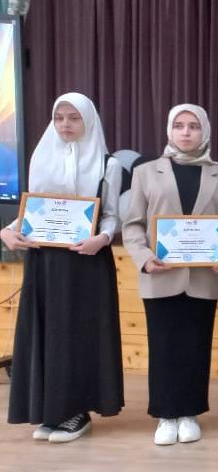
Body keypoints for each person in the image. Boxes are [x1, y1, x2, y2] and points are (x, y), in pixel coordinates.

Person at [2, 93, 124, 443]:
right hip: (45, 261)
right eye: (59, 117)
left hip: (87, 260)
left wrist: (102, 238)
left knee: (80, 333)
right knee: (48, 332)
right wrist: (7, 231)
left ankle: (77, 411)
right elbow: (33, 211)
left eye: (74, 117)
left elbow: (112, 215)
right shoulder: (41, 156)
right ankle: (51, 411)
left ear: (89, 120)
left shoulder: (108, 164)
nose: (66, 124)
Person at [122, 104, 218, 445]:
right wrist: (144, 258)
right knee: (163, 347)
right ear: (169, 131)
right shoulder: (145, 172)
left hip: (204, 278)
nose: (186, 132)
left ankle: (189, 413)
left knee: (196, 347)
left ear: (205, 131)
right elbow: (132, 225)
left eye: (193, 126)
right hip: (159, 275)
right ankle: (165, 415)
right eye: (179, 125)